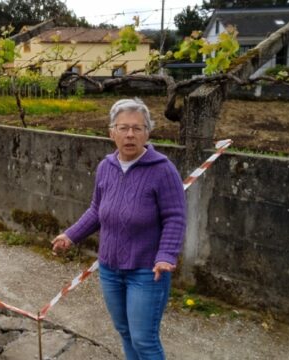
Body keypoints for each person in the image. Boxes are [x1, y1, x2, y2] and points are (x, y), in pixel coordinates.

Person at [52, 98, 186, 360]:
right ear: (111, 132)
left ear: (148, 132)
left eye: (137, 128)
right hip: (110, 268)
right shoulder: (106, 167)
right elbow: (96, 210)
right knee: (124, 331)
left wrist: (166, 255)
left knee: (144, 340)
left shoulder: (163, 170)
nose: (130, 134)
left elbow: (175, 217)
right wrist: (71, 235)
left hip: (147, 271)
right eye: (123, 127)